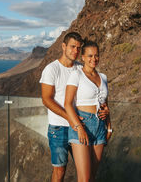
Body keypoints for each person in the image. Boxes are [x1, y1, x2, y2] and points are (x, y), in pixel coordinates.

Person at [40, 32, 110, 182]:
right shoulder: (51, 69)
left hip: (82, 125)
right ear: (63, 46)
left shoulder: (80, 68)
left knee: (87, 172)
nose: (75, 51)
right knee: (60, 170)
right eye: (72, 47)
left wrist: (103, 111)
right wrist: (72, 119)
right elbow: (46, 99)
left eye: (78, 48)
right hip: (60, 126)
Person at [64, 40, 112, 182]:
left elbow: (105, 104)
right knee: (84, 179)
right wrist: (78, 127)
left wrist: (109, 127)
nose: (94, 59)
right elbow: (67, 104)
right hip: (83, 124)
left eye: (96, 55)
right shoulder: (76, 75)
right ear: (83, 57)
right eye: (90, 56)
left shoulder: (103, 77)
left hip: (100, 127)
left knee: (91, 177)